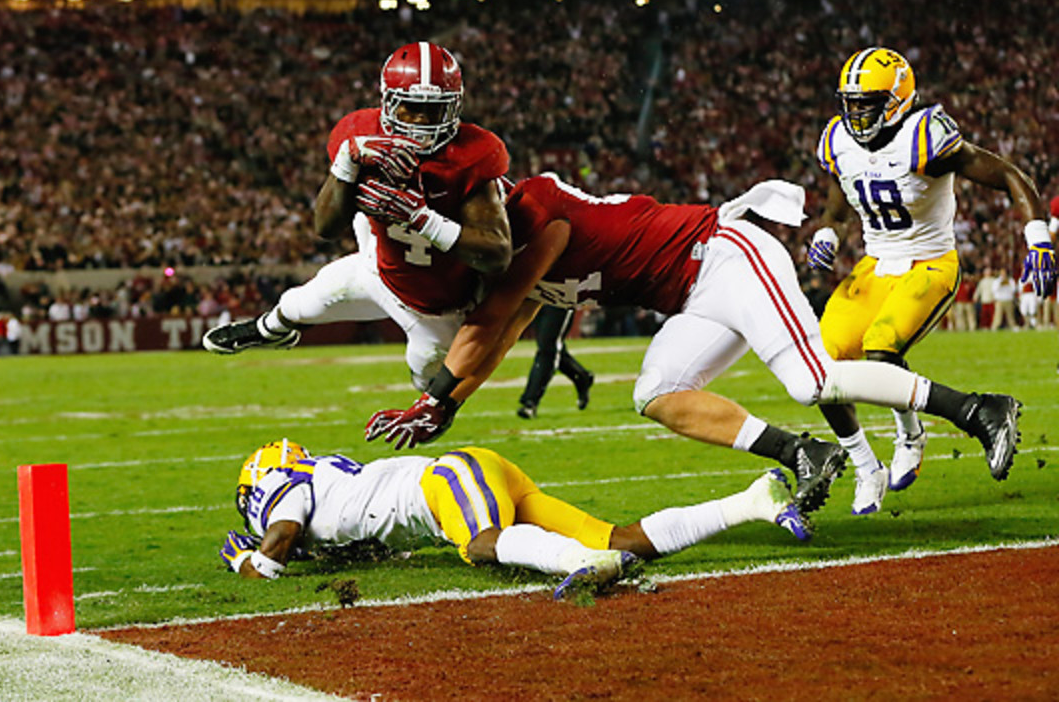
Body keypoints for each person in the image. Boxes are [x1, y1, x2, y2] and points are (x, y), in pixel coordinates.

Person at [365, 174, 1024, 513]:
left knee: (811, 380)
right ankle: (803, 452)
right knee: (656, 392)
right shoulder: (519, 257)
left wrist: (435, 403)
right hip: (690, 295)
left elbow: (494, 317)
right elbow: (500, 337)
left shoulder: (538, 215)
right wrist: (444, 406)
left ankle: (979, 409)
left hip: (724, 256)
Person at [808, 46, 1053, 514]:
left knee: (881, 347)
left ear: (897, 99)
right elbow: (841, 196)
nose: (856, 112)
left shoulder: (924, 137)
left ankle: (910, 435)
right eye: (851, 102)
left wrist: (1037, 237)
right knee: (819, 368)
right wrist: (829, 231)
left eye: (867, 102)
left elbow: (1007, 175)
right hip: (876, 265)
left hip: (930, 263)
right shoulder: (838, 139)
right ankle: (866, 466)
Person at [203, 42, 513, 390]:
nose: (422, 120)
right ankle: (269, 330)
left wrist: (421, 218)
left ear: (455, 107)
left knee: (430, 379)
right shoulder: (360, 132)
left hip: (438, 305)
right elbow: (325, 228)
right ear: (389, 102)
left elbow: (497, 255)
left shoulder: (473, 154)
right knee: (302, 302)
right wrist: (346, 164)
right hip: (376, 266)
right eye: (411, 108)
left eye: (434, 110)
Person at [218, 438, 810, 599]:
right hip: (469, 474)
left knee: (480, 545)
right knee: (619, 535)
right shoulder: (325, 481)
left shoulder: (281, 486)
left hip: (446, 481)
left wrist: (247, 559)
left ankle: (586, 565)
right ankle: (750, 502)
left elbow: (281, 540)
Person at [516, 304, 594, 420]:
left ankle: (530, 402)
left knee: (548, 350)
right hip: (539, 299)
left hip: (561, 299)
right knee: (549, 347)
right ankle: (582, 377)